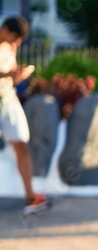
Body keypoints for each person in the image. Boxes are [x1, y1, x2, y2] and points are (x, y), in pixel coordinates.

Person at [0, 16, 48, 215]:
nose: (17, 42)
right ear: (4, 29)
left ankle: (31, 198)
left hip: (7, 100)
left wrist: (17, 74)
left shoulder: (10, 48)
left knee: (22, 143)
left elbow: (8, 73)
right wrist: (8, 75)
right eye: (15, 37)